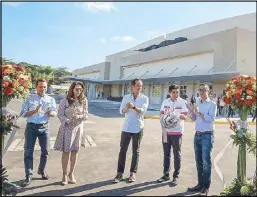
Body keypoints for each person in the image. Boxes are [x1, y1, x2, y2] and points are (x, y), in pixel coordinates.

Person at [20, 79, 57, 187]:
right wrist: (35, 111)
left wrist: (50, 113)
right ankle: (28, 175)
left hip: (44, 127)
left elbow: (55, 112)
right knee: (28, 152)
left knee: (46, 151)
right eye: (40, 86)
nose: (43, 89)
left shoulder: (50, 99)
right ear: (36, 87)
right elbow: (23, 113)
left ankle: (41, 170)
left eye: (44, 87)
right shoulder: (29, 98)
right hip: (31, 127)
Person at [113, 79, 149, 183]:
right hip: (126, 128)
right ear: (132, 86)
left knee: (135, 151)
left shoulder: (144, 98)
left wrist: (133, 107)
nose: (139, 87)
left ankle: (132, 173)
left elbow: (141, 112)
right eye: (138, 85)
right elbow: (121, 111)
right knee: (122, 151)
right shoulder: (126, 97)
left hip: (138, 128)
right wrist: (126, 107)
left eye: (141, 86)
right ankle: (119, 173)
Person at [54, 81, 88, 185]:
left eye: (80, 89)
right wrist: (67, 121)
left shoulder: (84, 100)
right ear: (72, 89)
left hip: (78, 128)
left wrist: (79, 116)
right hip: (67, 128)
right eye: (77, 89)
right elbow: (60, 115)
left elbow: (86, 114)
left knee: (75, 151)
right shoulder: (65, 101)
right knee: (66, 152)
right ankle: (64, 174)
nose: (79, 91)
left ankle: (71, 173)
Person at [187, 84, 217, 196]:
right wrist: (191, 111)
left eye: (204, 90)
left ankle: (206, 187)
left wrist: (198, 112)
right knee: (198, 161)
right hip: (197, 135)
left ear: (208, 91)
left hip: (207, 136)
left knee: (206, 162)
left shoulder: (212, 104)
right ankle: (200, 184)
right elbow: (193, 118)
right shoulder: (197, 102)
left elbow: (210, 119)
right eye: (200, 90)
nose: (202, 92)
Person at [157, 84, 188, 186]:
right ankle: (166, 174)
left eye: (177, 92)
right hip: (166, 132)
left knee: (176, 154)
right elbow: (161, 114)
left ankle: (176, 176)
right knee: (166, 154)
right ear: (169, 93)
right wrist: (165, 119)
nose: (175, 94)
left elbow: (185, 116)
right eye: (173, 92)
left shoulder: (183, 102)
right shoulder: (165, 102)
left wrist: (177, 115)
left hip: (177, 132)